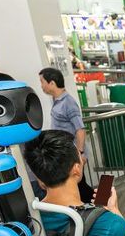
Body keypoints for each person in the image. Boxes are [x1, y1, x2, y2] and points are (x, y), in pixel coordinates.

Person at [38, 67, 95, 201]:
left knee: (79, 185)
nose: (41, 86)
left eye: (42, 82)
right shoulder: (57, 101)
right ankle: (96, 205)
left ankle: (100, 204)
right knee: (77, 185)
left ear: (52, 83)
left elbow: (80, 129)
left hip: (73, 154)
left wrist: (80, 155)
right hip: (67, 153)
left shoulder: (68, 102)